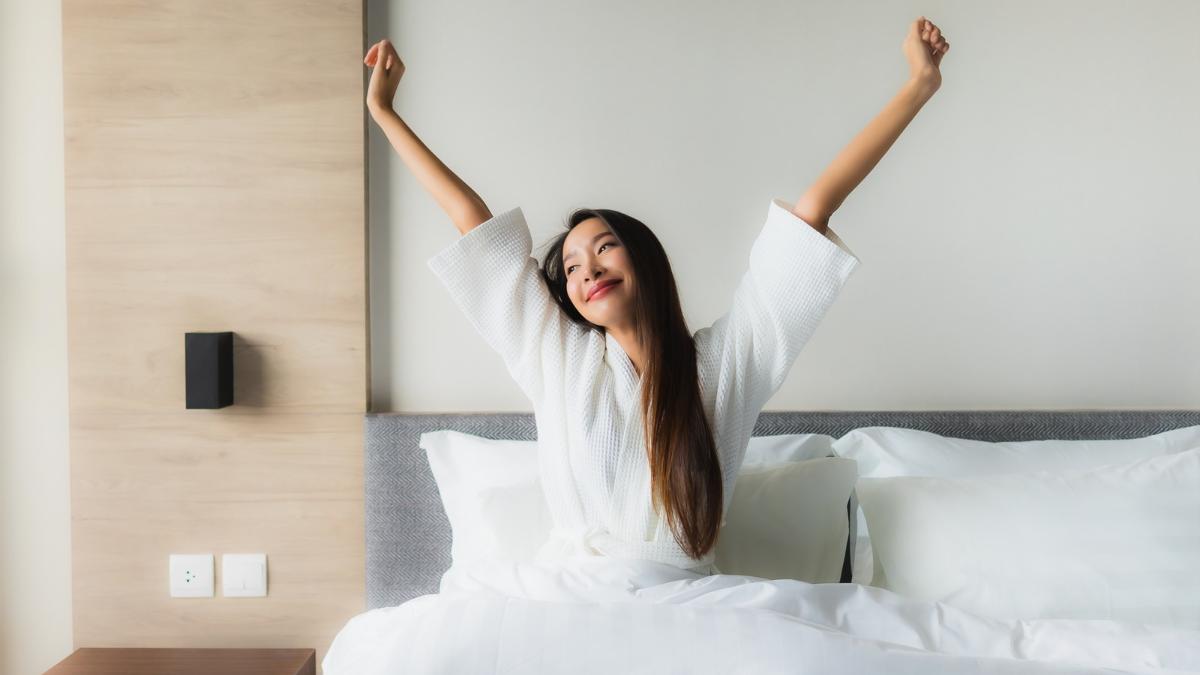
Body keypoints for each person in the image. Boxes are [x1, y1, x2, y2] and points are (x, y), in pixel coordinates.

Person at [363, 18, 949, 574]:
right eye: (569, 267)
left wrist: (918, 87)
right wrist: (385, 114)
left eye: (603, 247)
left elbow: (813, 212)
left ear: (644, 258)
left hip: (687, 601)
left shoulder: (725, 365)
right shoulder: (555, 356)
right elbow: (474, 225)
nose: (586, 269)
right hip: (569, 595)